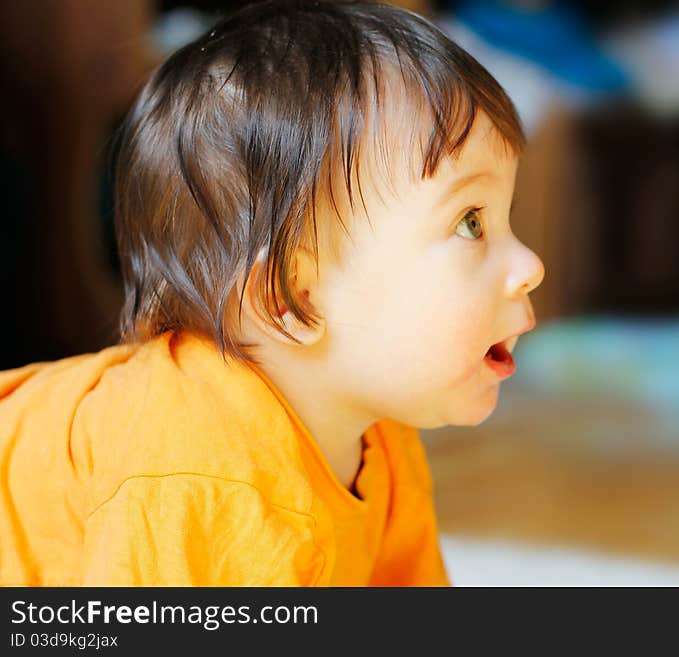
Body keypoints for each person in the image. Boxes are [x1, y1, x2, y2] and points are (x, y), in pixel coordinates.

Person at [0, 0, 544, 586]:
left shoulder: (380, 438)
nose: (530, 265)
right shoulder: (198, 469)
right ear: (293, 300)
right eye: (470, 222)